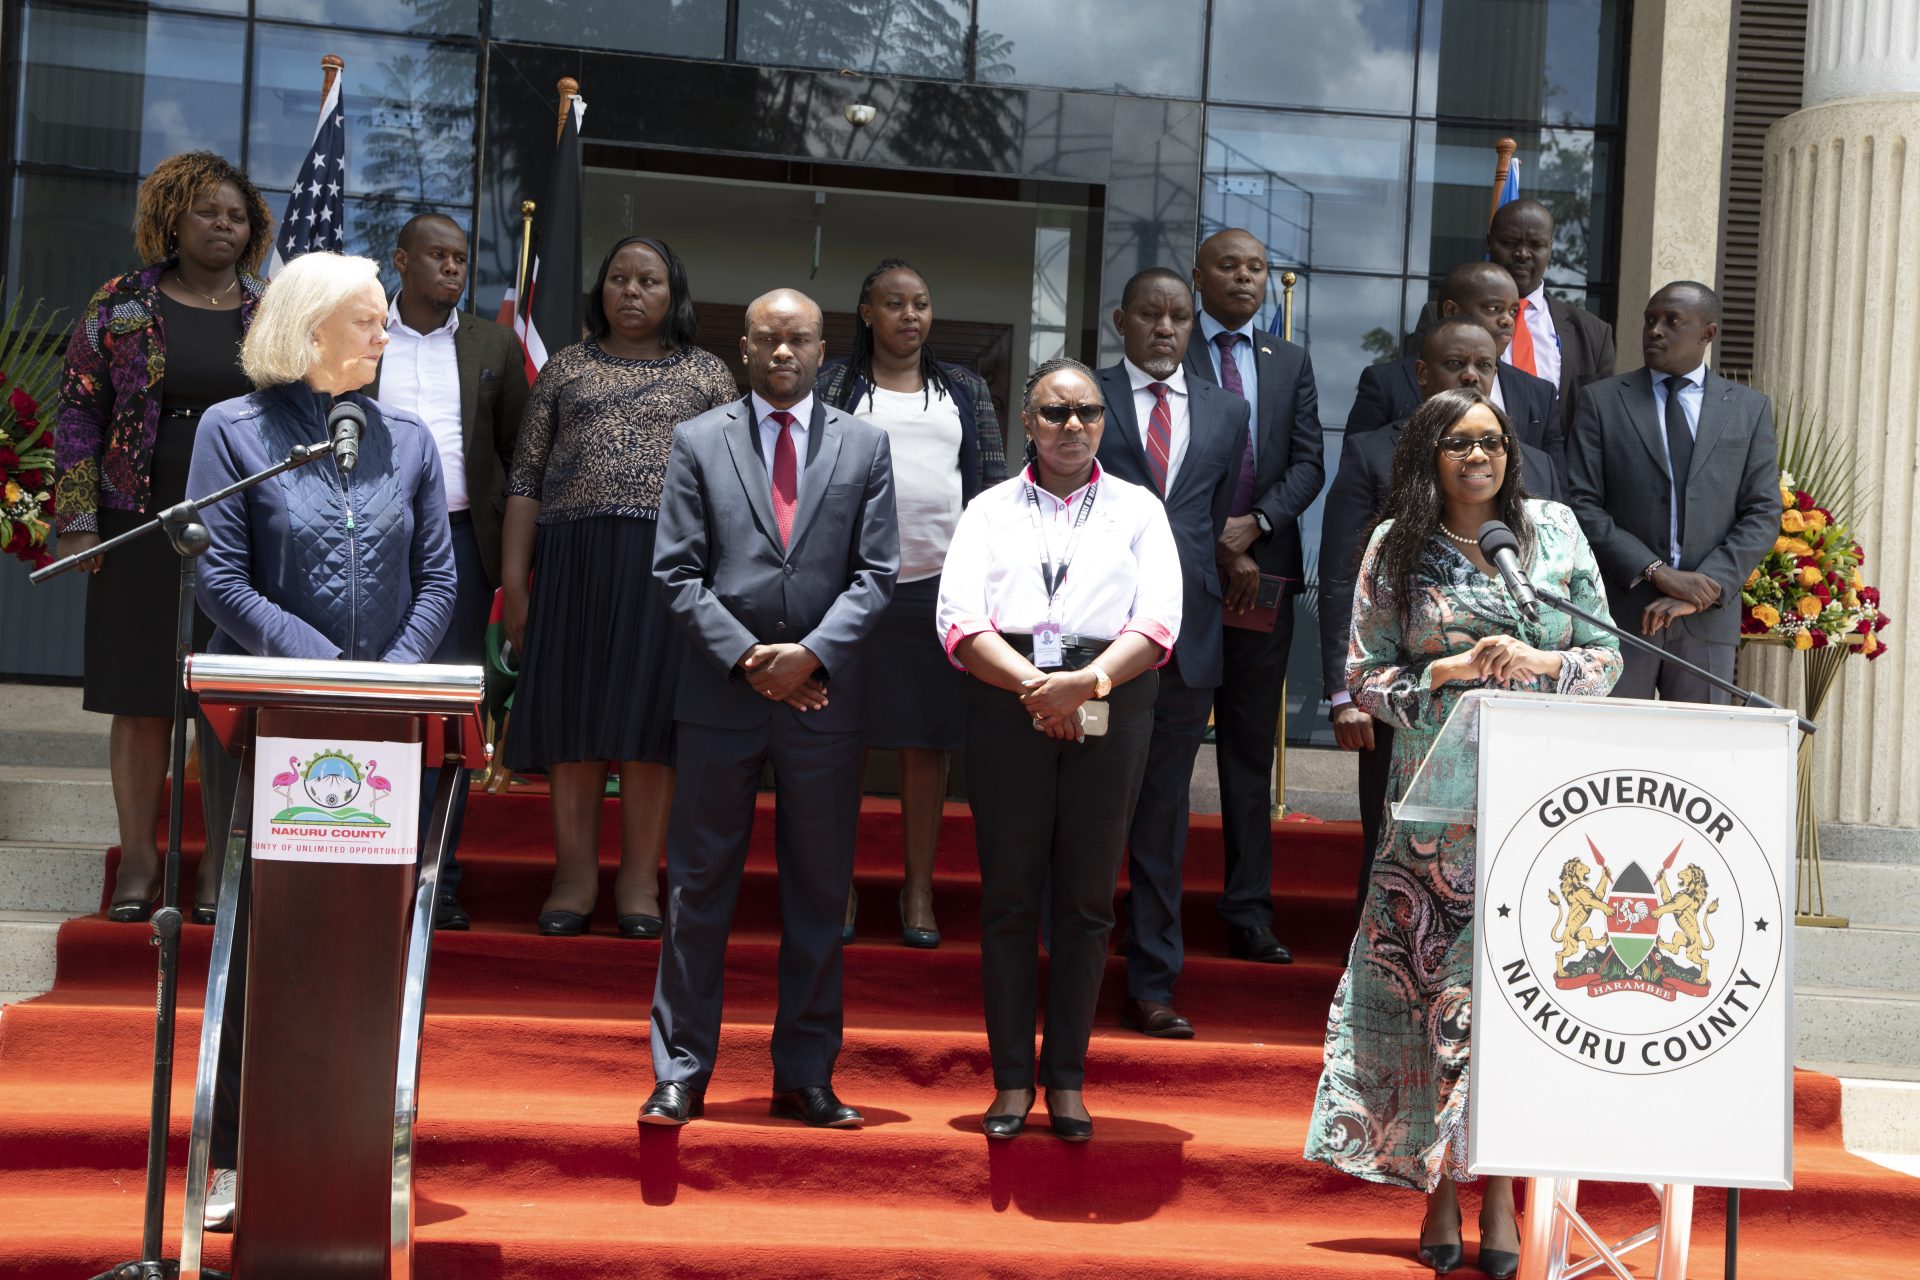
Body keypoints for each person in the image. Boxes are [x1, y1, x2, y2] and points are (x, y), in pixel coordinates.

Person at [1304, 387, 1621, 1278]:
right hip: (1435, 820)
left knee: (1518, 1004)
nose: (1479, 456)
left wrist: (1542, 660)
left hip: (1545, 810)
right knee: (1438, 1002)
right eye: (1459, 443)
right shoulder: (1394, 546)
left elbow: (1606, 656)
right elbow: (1366, 677)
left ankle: (1503, 1192)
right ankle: (1441, 1189)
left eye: (1492, 441)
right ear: (1428, 456)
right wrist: (1444, 671)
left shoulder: (1553, 531)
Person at [185, 250, 457, 1233]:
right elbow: (218, 576)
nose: (387, 334)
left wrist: (384, 682)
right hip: (264, 718)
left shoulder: (409, 441)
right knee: (260, 932)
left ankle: (351, 1155)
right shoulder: (233, 430)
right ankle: (234, 1155)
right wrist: (324, 669)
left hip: (381, 726)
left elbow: (440, 578)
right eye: (369, 321)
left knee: (365, 939)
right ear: (310, 330)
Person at [640, 288, 898, 1130]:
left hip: (823, 703)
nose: (783, 352)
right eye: (768, 339)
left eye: (799, 339)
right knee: (697, 891)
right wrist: (753, 660)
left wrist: (809, 657)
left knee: (820, 894)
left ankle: (806, 1075)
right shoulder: (697, 440)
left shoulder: (866, 444)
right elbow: (676, 570)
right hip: (721, 697)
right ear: (744, 349)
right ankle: (681, 1071)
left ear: (824, 349)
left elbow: (877, 574)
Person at [937, 356, 1180, 1141]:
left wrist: (1086, 684)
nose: (1072, 425)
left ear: (1105, 422)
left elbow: (1159, 623)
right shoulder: (988, 510)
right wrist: (1041, 691)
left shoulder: (1139, 510)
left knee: (1085, 902)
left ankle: (1067, 1079)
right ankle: (1012, 1080)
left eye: (1087, 412)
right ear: (1027, 422)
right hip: (1007, 696)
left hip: (1112, 695)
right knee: (1009, 899)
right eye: (1054, 412)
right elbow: (959, 622)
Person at [52, 151, 273, 925]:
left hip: (243, 525)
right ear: (172, 219)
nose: (223, 224)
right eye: (207, 210)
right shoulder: (121, 301)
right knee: (140, 695)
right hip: (135, 516)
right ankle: (141, 862)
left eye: (236, 215)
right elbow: (79, 409)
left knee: (225, 696)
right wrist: (78, 520)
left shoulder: (270, 309)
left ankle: (218, 864)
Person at [499, 237, 738, 938]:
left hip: (671, 572)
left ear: (674, 292)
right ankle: (573, 878)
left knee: (650, 726)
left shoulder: (708, 375)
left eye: (649, 280)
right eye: (619, 279)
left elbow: (735, 490)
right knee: (574, 720)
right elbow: (524, 480)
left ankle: (638, 880)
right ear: (600, 290)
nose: (632, 291)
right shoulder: (565, 369)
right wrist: (515, 583)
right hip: (572, 565)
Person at [1317, 320, 1564, 905]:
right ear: (1422, 374)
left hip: (1524, 726)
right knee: (1393, 856)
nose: (1472, 375)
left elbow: (1563, 582)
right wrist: (1343, 693)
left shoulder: (1536, 467)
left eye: (1485, 364)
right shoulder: (1373, 452)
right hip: (1412, 709)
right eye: (1456, 364)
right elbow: (1342, 578)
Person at [816, 258, 1007, 948]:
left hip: (937, 590)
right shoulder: (833, 383)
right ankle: (835, 886)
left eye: (920, 303)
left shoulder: (964, 388)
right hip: (851, 590)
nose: (909, 315)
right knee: (842, 741)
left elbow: (991, 488)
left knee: (927, 744)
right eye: (894, 303)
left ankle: (918, 889)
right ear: (867, 313)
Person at [1094, 267, 1250, 1039]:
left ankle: (1153, 983)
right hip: (1096, 638)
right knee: (1089, 813)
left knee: (1162, 821)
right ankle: (1070, 966)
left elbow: (1207, 519)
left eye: (1179, 317)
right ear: (1120, 320)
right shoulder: (1087, 396)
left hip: (1187, 642)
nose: (1165, 328)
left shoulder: (1228, 411)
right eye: (1150, 315)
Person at [371, 212, 531, 930]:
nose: (452, 268)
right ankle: (371, 864)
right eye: (437, 255)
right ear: (400, 261)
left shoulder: (492, 344)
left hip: (462, 544)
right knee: (377, 700)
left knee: (451, 709)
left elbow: (519, 452)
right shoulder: (366, 335)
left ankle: (440, 874)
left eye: (461, 258)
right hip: (369, 547)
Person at [1182, 226, 1325, 967]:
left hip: (1262, 579)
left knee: (1247, 751)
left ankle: (1248, 910)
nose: (1245, 278)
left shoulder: (1288, 359)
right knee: (1164, 751)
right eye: (1230, 266)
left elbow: (1308, 463)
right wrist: (1215, 539)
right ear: (1198, 275)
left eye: (1257, 268)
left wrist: (1257, 524)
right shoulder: (1171, 350)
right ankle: (1148, 904)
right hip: (1182, 575)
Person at [1566, 281, 1779, 702]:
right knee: (1611, 739)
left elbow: (1762, 511)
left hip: (1706, 622)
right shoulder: (1602, 401)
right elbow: (1581, 504)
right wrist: (1656, 571)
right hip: (1620, 617)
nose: (1655, 331)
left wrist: (1705, 588)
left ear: (1708, 333)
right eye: (1650, 320)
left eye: (1671, 321)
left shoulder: (1749, 409)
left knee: (1698, 743)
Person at [1412, 198, 1616, 437]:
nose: (1522, 254)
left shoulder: (1594, 333)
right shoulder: (1443, 316)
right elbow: (1415, 396)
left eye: (1536, 244)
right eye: (1509, 242)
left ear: (1550, 248)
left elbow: (1597, 427)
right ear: (1490, 242)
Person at [1355, 263, 1563, 471]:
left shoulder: (1540, 394)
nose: (1507, 320)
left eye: (1513, 311)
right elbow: (1360, 470)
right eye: (1494, 308)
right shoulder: (1386, 382)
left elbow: (1553, 484)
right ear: (1451, 311)